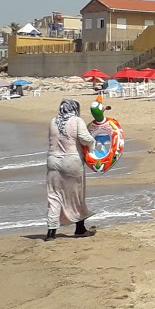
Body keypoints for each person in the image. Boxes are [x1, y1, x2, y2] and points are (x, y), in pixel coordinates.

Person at [46, 98, 96, 241]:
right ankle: (79, 228)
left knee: (54, 196)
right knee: (75, 195)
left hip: (53, 161)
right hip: (72, 161)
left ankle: (51, 232)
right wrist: (93, 145)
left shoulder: (53, 121)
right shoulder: (76, 121)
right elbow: (84, 138)